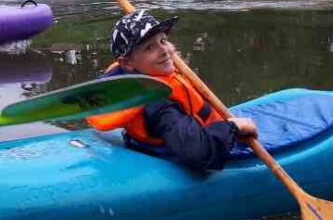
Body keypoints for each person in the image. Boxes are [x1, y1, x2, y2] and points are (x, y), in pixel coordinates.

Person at [87, 11, 258, 171]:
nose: (164, 51)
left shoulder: (130, 79)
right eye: (149, 48)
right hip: (182, 148)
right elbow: (198, 153)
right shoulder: (161, 105)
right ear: (127, 63)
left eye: (163, 41)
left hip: (147, 142)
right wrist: (234, 127)